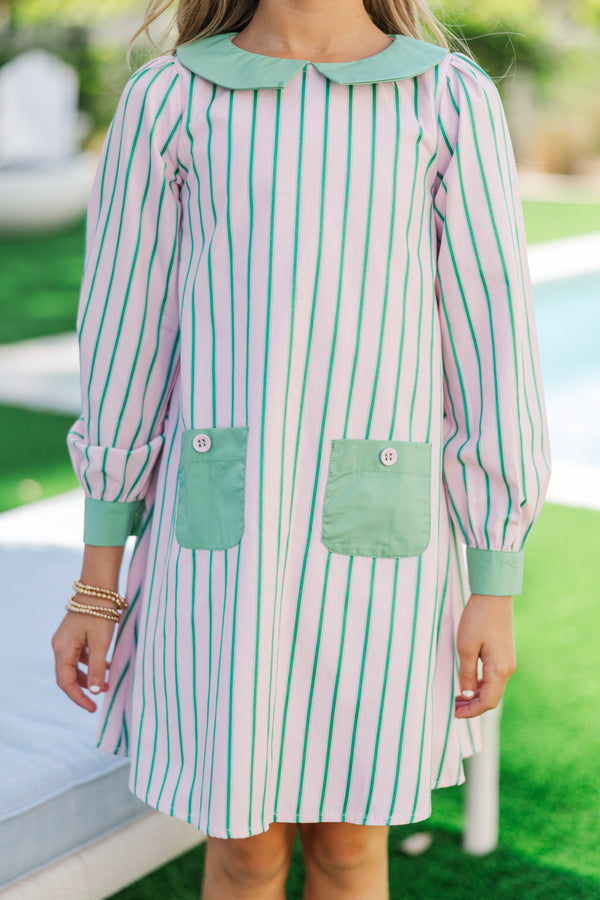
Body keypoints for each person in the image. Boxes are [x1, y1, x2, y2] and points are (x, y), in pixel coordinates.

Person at [51, 0, 551, 897]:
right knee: (242, 848)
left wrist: (494, 583)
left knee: (350, 846)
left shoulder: (448, 99)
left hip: (386, 552)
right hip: (219, 548)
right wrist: (98, 583)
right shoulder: (170, 99)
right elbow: (125, 339)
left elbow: (493, 345)